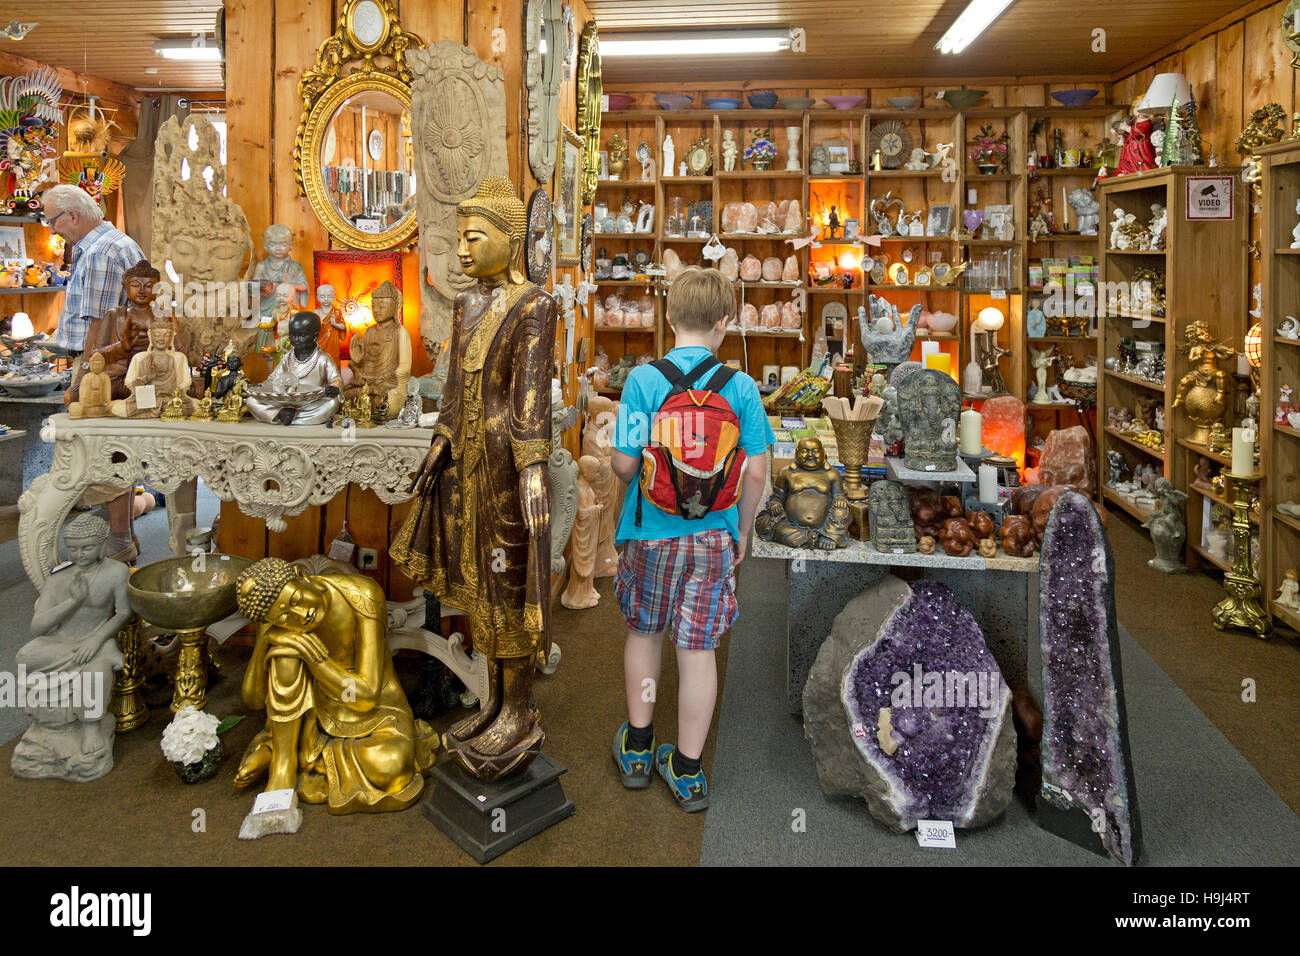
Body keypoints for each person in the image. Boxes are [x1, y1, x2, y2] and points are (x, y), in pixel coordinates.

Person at [608, 266, 774, 811]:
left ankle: (637, 745)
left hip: (651, 538)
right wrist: (743, 530)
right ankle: (687, 768)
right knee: (698, 650)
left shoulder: (642, 381)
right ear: (724, 323)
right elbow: (756, 473)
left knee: (645, 634)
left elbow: (625, 466)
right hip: (713, 539)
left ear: (669, 316)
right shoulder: (743, 386)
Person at [43, 184, 148, 562]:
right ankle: (125, 538)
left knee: (103, 453)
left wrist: (85, 376)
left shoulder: (102, 252)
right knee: (115, 451)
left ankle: (119, 542)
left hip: (102, 368)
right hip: (113, 364)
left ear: (72, 215)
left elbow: (98, 328)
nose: (52, 229)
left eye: (52, 220)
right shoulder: (108, 245)